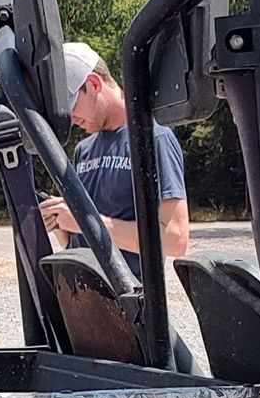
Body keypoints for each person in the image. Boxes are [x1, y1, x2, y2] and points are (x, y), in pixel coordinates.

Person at [39, 41, 192, 259]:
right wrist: (58, 222)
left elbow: (175, 239)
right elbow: (80, 242)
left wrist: (86, 221)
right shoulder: (83, 149)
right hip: (81, 278)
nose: (70, 119)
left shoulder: (154, 138)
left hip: (128, 282)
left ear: (93, 84)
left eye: (71, 106)